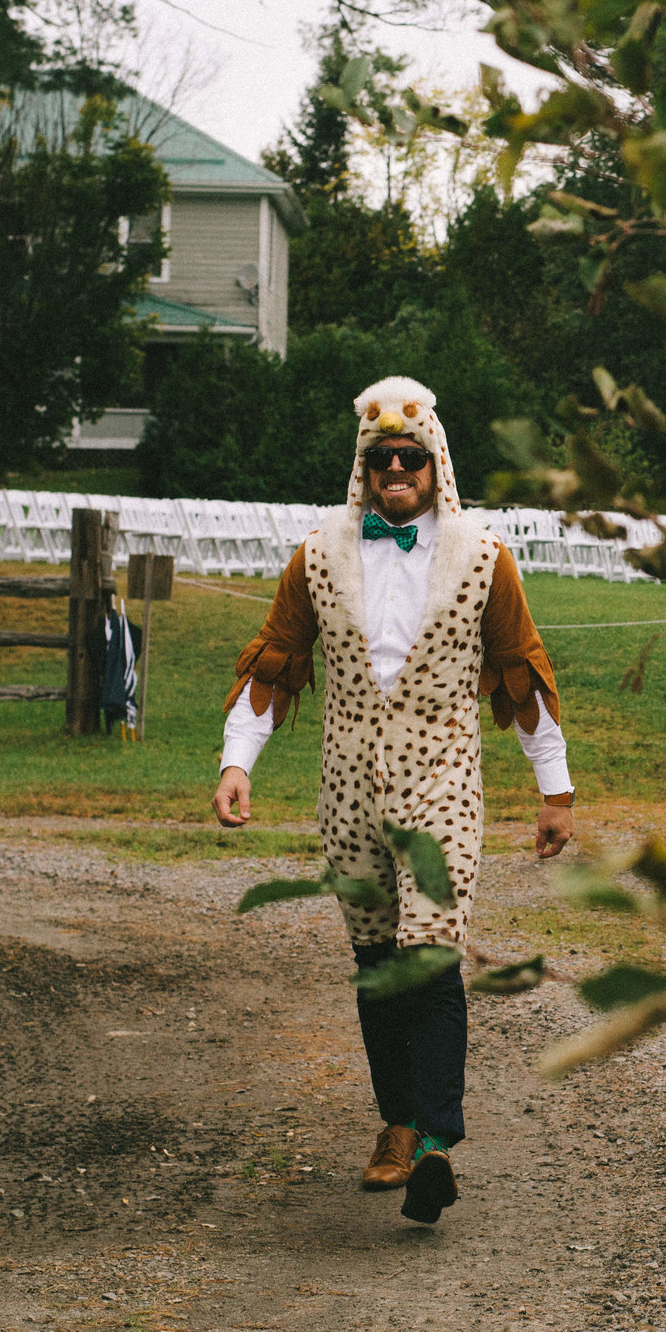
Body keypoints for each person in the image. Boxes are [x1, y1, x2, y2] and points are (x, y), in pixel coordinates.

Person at [210, 376, 576, 1225]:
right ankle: (398, 1126)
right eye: (382, 460)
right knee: (378, 964)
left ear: (436, 463)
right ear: (365, 469)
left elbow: (522, 670)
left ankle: (439, 1141)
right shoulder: (319, 553)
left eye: (411, 457)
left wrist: (553, 789)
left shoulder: (483, 556)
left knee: (430, 951)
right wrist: (238, 764)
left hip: (443, 781)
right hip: (347, 788)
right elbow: (275, 659)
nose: (396, 471)